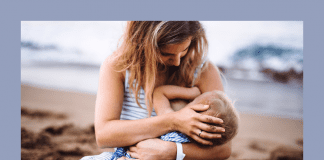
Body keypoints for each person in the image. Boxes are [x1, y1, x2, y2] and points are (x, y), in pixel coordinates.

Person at [82, 21, 232, 160]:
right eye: (167, 54)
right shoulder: (118, 67)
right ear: (142, 43)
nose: (177, 61)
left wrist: (173, 151)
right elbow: (104, 135)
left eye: (184, 50)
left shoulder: (202, 71)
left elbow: (224, 148)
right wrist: (174, 121)